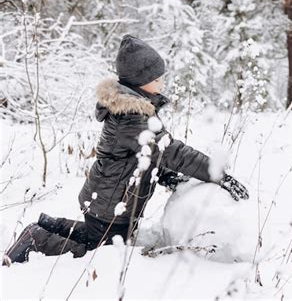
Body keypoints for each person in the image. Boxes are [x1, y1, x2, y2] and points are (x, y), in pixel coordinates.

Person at [2, 35, 249, 266]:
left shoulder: (133, 112)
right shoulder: (132, 116)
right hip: (111, 204)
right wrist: (217, 172)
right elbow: (171, 151)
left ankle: (49, 225)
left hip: (108, 198)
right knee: (98, 252)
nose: (162, 83)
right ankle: (35, 240)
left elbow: (144, 154)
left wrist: (164, 175)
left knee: (97, 237)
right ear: (140, 82)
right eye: (157, 79)